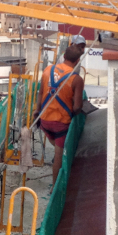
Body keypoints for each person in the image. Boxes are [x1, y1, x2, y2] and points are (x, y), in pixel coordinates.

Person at [38, 43, 85, 184]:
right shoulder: (76, 79)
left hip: (44, 121)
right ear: (78, 61)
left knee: (58, 146)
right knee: (59, 154)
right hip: (60, 125)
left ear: (64, 56)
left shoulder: (48, 70)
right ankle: (55, 186)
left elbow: (40, 93)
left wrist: (37, 110)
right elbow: (77, 107)